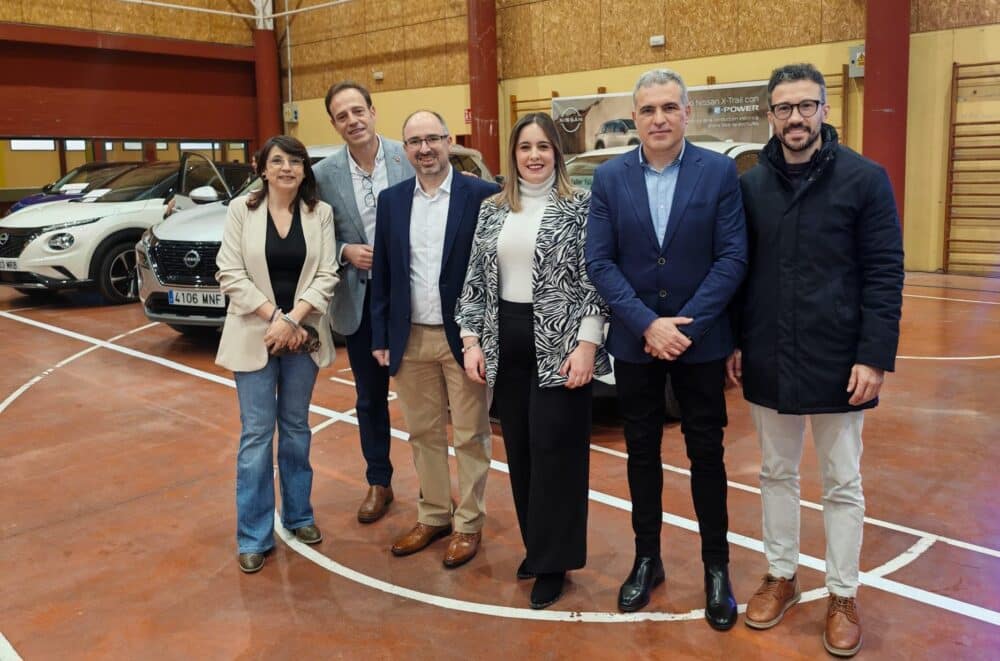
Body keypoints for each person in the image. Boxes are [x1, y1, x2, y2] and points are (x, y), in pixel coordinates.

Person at [729, 63, 904, 657]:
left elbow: (885, 272)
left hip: (840, 361)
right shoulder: (751, 186)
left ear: (825, 110)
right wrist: (737, 340)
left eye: (806, 105)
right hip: (769, 353)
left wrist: (873, 357)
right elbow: (739, 272)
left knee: (842, 481)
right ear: (771, 115)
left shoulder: (865, 179)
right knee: (775, 473)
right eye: (784, 107)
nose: (796, 117)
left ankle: (842, 593)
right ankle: (781, 575)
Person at [585, 69, 747, 629]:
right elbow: (599, 260)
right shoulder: (610, 178)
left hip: (700, 345)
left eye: (669, 108)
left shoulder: (718, 172)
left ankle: (716, 568)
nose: (659, 119)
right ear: (635, 117)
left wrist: (686, 328)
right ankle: (646, 558)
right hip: (637, 344)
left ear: (687, 113)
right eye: (649, 110)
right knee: (641, 454)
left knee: (707, 455)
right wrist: (646, 325)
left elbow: (732, 257)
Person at [454, 112, 610, 609]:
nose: (535, 155)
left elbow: (596, 279)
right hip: (507, 344)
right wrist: (472, 341)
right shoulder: (492, 209)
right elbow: (475, 280)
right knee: (521, 455)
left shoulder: (581, 207)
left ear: (557, 153)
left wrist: (588, 344)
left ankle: (554, 562)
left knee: (556, 457)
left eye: (544, 146)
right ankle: (536, 547)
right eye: (525, 147)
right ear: (513, 154)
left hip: (562, 347)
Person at [370, 110, 499, 568]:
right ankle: (434, 515)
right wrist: (382, 334)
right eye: (414, 142)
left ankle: (469, 523)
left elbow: (493, 272)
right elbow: (383, 272)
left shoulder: (482, 196)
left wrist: (484, 336)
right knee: (422, 432)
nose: (424, 149)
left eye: (432, 139)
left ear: (448, 142)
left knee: (470, 434)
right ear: (405, 150)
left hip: (464, 339)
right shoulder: (392, 201)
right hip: (410, 338)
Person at [215, 135, 339, 574]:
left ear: (305, 170)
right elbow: (229, 272)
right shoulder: (240, 211)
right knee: (256, 435)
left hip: (302, 337)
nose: (287, 168)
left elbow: (327, 273)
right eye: (278, 161)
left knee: (296, 429)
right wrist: (276, 318)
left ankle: (299, 515)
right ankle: (253, 535)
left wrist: (294, 321)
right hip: (254, 334)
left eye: (295, 161)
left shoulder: (320, 213)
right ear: (262, 168)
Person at [313, 81, 414, 523]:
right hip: (360, 297)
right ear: (334, 124)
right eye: (342, 116)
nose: (352, 120)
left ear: (373, 112)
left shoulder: (408, 156)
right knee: (369, 399)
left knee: (424, 398)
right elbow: (315, 234)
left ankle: (433, 487)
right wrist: (344, 251)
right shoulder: (322, 175)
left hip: (412, 294)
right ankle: (379, 481)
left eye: (358, 111)